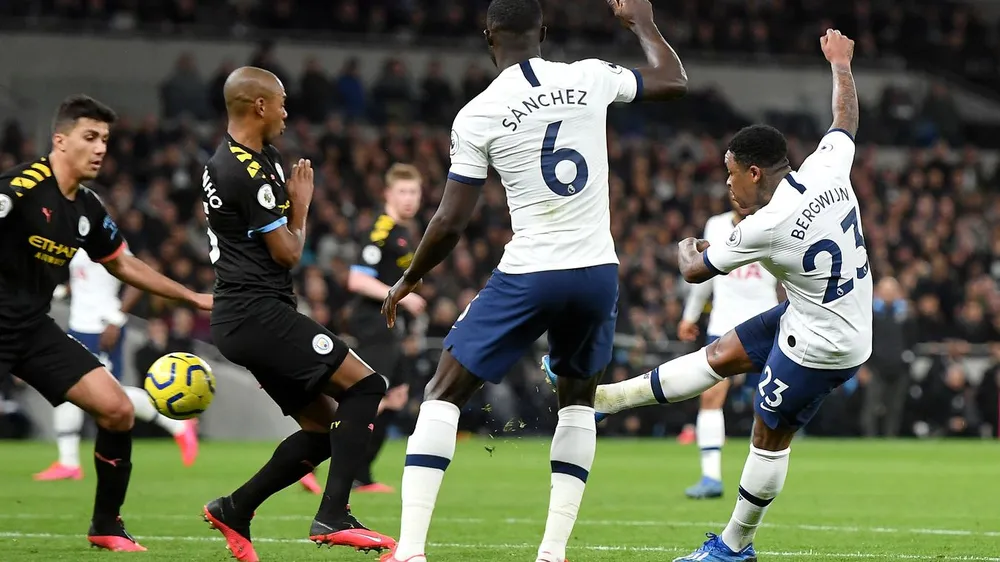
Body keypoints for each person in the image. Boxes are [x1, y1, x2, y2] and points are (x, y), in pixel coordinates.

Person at [379, 1, 688, 560]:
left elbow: (450, 220)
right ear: (543, 33)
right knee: (577, 403)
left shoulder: (477, 114)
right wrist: (640, 22)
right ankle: (551, 553)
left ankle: (411, 551)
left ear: (487, 37)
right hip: (597, 272)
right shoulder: (588, 76)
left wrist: (409, 279)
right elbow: (673, 79)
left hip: (531, 272)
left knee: (443, 391)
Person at [547, 29, 866, 561]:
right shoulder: (827, 167)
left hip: (825, 342)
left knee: (768, 435)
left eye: (731, 175)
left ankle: (735, 546)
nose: (727, 186)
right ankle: (602, 401)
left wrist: (683, 245)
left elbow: (695, 271)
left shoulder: (761, 226)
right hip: (812, 312)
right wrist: (841, 64)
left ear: (756, 172)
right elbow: (845, 120)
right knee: (716, 356)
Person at [0, 94, 213, 551]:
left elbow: (124, 264)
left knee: (116, 410)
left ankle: (106, 526)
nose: (100, 148)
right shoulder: (19, 188)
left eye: (105, 140)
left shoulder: (88, 209)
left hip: (31, 330)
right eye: (90, 137)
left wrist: (192, 296)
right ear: (60, 140)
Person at [200, 66, 395, 562]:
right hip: (255, 313)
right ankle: (333, 514)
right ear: (259, 106)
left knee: (323, 430)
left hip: (247, 314)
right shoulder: (239, 169)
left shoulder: (254, 157)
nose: (288, 112)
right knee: (367, 385)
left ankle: (234, 508)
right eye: (281, 102)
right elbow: (287, 252)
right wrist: (301, 207)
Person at [35, 248, 201, 482]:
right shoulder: (74, 235)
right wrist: (65, 290)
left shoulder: (96, 229)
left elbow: (135, 273)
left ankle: (176, 423)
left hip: (101, 327)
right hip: (79, 325)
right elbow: (87, 276)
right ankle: (68, 462)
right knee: (66, 388)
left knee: (107, 395)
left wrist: (116, 317)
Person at [676, 202, 781, 499]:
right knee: (711, 395)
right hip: (723, 321)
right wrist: (690, 316)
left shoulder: (773, 221)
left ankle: (761, 478)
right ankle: (711, 477)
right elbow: (703, 273)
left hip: (764, 319)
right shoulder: (716, 225)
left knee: (771, 402)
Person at [346, 162, 425, 493]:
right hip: (372, 322)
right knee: (372, 398)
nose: (408, 198)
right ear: (388, 194)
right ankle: (317, 457)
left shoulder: (406, 230)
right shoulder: (381, 229)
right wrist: (401, 298)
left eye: (414, 192)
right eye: (402, 192)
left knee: (397, 396)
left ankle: (362, 476)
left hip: (391, 324)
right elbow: (357, 279)